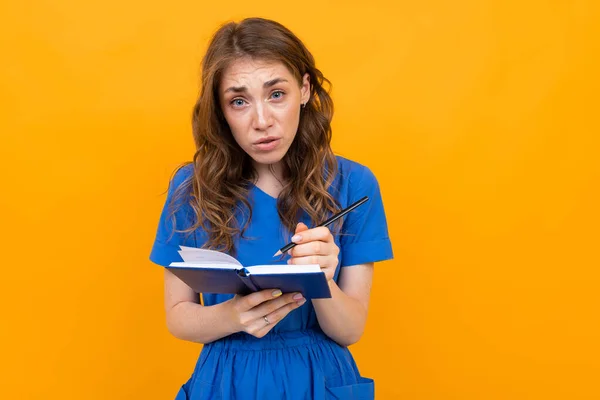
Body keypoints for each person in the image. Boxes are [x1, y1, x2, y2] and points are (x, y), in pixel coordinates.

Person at [149, 17, 393, 400]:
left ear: (304, 89)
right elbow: (178, 315)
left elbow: (351, 331)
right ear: (221, 111)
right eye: (239, 101)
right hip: (225, 383)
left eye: (276, 94)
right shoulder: (190, 188)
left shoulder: (354, 184)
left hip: (320, 381)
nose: (262, 121)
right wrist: (231, 317)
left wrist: (322, 279)